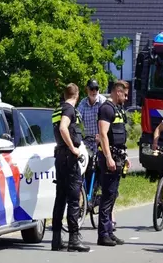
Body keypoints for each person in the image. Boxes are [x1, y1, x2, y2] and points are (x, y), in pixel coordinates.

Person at [50, 83, 90, 252]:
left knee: (60, 198)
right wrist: (74, 149)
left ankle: (56, 239)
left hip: (60, 156)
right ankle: (74, 238)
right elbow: (63, 128)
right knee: (74, 199)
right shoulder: (69, 110)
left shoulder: (58, 109)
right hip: (69, 157)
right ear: (77, 95)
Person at [97, 80, 130, 247]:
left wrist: (125, 157)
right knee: (107, 196)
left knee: (113, 195)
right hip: (109, 158)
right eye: (124, 94)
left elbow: (119, 136)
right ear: (117, 91)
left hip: (118, 157)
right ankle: (103, 234)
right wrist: (108, 157)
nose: (126, 97)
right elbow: (103, 134)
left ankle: (109, 231)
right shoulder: (106, 108)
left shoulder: (117, 109)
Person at [77, 79, 106, 191]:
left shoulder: (103, 102)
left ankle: (100, 193)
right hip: (88, 142)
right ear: (87, 90)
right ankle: (87, 195)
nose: (94, 91)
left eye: (96, 89)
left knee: (102, 168)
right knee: (87, 168)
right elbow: (77, 119)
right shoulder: (83, 103)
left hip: (102, 141)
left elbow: (108, 121)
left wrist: (102, 136)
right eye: (92, 89)